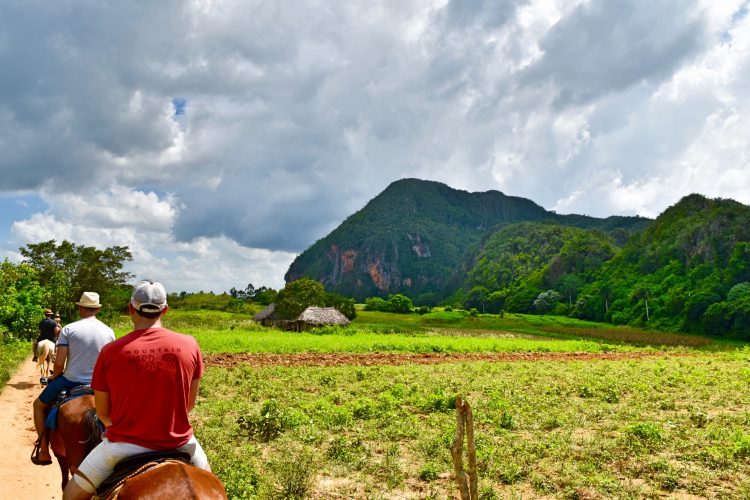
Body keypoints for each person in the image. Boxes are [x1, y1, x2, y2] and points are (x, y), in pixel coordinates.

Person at [63, 280, 210, 500]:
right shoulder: (190, 344)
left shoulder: (111, 352)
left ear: (131, 308)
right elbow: (189, 405)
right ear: (165, 310)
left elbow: (103, 414)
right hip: (182, 444)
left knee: (70, 496)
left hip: (123, 447)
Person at [31, 292, 115, 466]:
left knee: (38, 405)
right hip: (100, 385)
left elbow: (59, 363)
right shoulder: (109, 331)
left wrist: (53, 376)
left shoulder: (69, 329)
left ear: (80, 308)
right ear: (97, 309)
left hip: (71, 380)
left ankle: (44, 450)